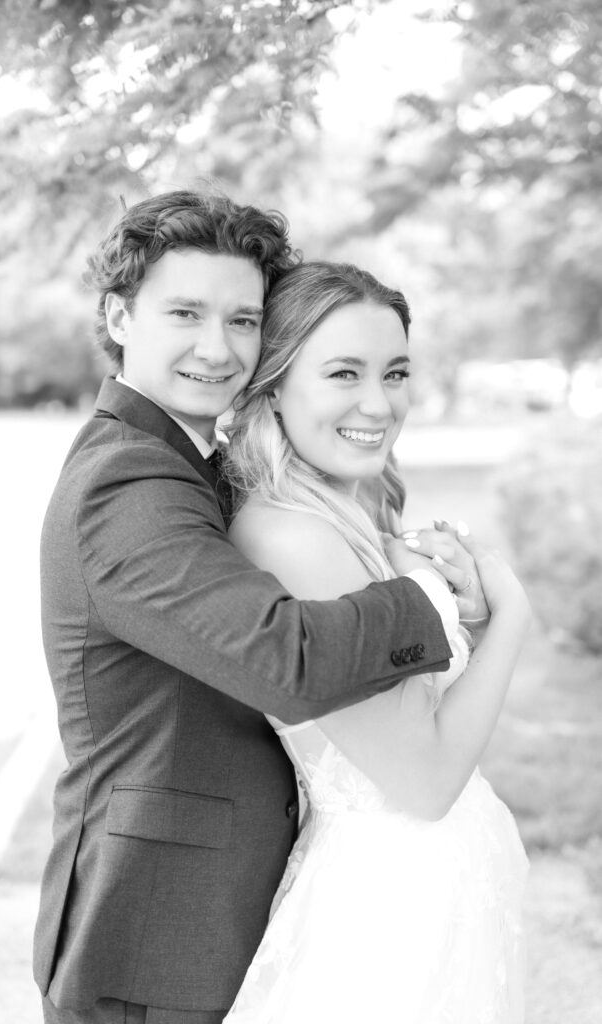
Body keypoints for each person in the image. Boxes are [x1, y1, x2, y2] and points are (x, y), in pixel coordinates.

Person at [33, 191, 486, 1024]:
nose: (217, 348)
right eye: (185, 313)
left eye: (242, 320)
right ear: (119, 316)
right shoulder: (124, 484)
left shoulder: (188, 463)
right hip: (152, 932)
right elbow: (287, 659)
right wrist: (439, 598)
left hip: (224, 913)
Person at [223, 261, 531, 1024]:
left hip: (435, 886)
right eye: (342, 373)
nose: (378, 402)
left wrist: (463, 614)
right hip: (388, 907)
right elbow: (422, 780)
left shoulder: (344, 506)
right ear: (274, 384)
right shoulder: (291, 538)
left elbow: (416, 707)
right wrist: (512, 617)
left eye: (394, 372)